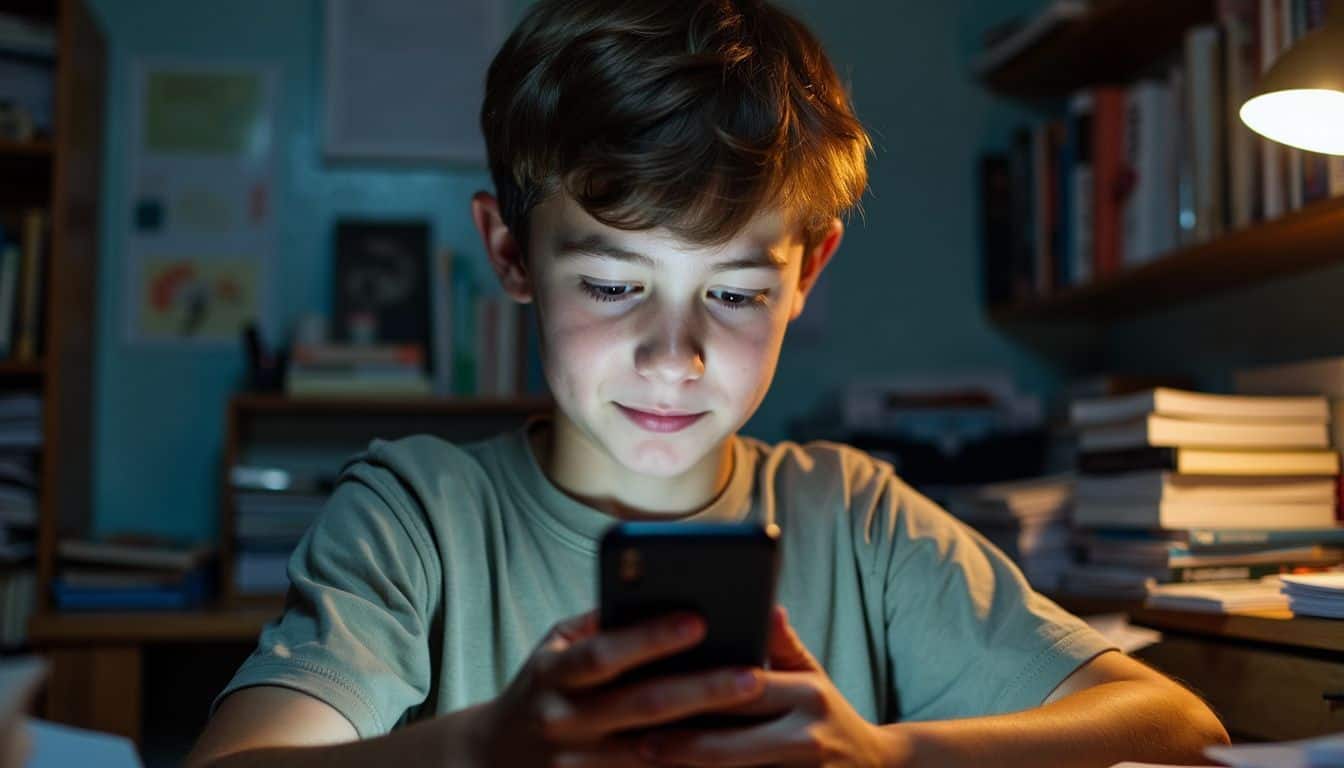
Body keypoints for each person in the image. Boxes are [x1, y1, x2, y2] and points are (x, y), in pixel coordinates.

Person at [188, 1, 1229, 765]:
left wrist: (891, 759)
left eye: (732, 295)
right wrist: (484, 750)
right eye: (609, 282)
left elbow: (1179, 728)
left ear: (806, 273)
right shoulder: (418, 518)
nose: (672, 355)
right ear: (509, 254)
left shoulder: (854, 520)